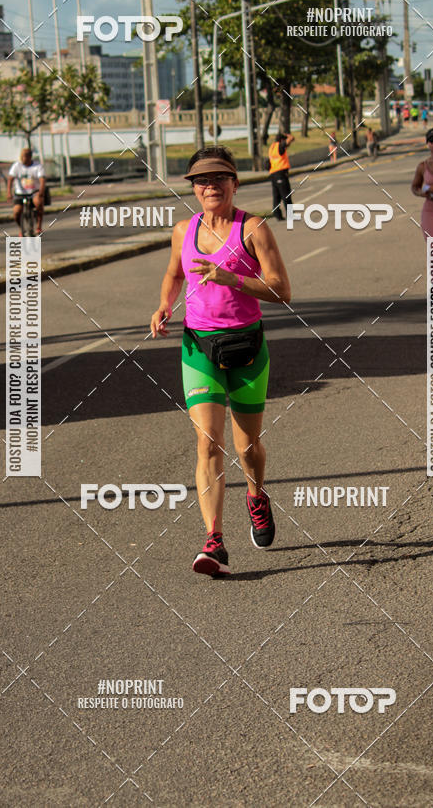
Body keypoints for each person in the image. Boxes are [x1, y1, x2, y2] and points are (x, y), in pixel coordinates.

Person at [150, 146, 291, 576]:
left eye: (218, 179)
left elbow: (282, 290)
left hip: (246, 347)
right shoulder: (182, 231)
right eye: (201, 181)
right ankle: (215, 540)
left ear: (234, 183)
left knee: (247, 447)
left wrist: (235, 279)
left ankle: (256, 495)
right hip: (199, 348)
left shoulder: (253, 229)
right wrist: (163, 306)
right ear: (193, 188)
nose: (210, 186)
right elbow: (175, 273)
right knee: (207, 442)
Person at [7, 147, 46, 235]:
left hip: (33, 192)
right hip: (20, 193)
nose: (22, 159)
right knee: (16, 212)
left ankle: (38, 226)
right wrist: (9, 192)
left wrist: (41, 192)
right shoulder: (17, 166)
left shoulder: (37, 166)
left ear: (29, 157)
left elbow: (42, 180)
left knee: (39, 203)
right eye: (22, 156)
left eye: (24, 157)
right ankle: (21, 229)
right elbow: (10, 179)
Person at [268, 132, 294, 221]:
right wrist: (287, 135)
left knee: (276, 196)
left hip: (273, 173)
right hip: (281, 174)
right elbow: (291, 139)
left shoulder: (272, 147)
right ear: (282, 140)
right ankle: (290, 215)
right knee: (286, 195)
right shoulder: (280, 146)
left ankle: (277, 215)